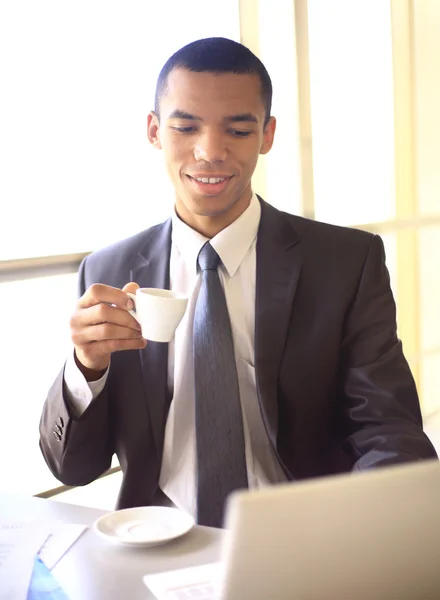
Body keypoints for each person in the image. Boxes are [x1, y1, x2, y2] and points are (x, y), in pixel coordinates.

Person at [39, 37, 437, 528]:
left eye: (238, 130)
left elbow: (389, 430)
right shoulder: (108, 271)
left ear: (267, 135)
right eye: (185, 126)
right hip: (158, 538)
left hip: (304, 533)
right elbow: (73, 468)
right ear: (154, 131)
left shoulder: (345, 262)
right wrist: (86, 368)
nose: (210, 152)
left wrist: (356, 531)